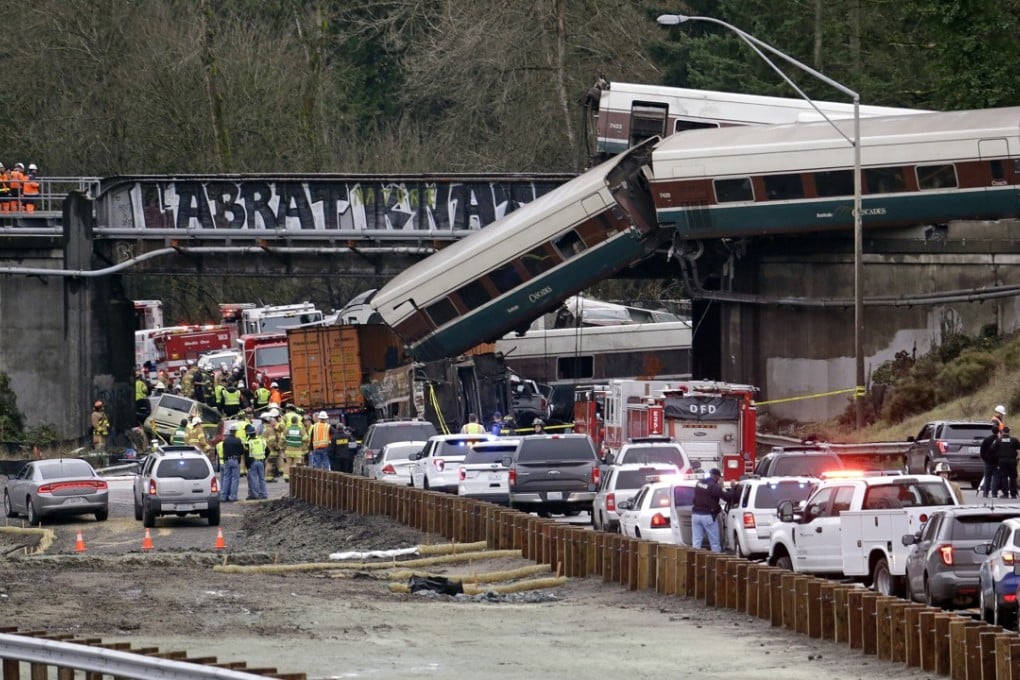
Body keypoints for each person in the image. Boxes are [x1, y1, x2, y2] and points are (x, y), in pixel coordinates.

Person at [691, 468, 738, 552]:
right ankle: (717, 561)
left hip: (695, 515)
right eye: (719, 477)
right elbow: (727, 497)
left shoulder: (699, 483)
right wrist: (733, 488)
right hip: (708, 516)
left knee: (696, 542)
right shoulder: (714, 486)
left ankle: (694, 561)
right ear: (716, 476)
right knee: (714, 542)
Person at [220, 424, 245, 502]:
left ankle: (224, 496)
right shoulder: (238, 440)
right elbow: (242, 451)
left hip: (227, 460)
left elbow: (224, 451)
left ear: (230, 431)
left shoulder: (225, 440)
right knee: (235, 479)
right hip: (235, 460)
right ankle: (232, 496)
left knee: (226, 478)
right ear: (235, 432)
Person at [280, 412, 308, 481]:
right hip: (297, 450)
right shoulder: (300, 429)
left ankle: (286, 476)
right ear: (297, 421)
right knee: (296, 464)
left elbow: (282, 439)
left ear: (291, 421)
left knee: (288, 463)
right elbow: (306, 439)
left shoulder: (287, 429)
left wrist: (282, 447)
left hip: (288, 449)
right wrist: (304, 447)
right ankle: (295, 477)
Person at [245, 424, 269, 500]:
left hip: (253, 462)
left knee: (253, 479)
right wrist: (264, 458)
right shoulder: (262, 441)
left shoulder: (248, 443)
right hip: (261, 462)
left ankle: (255, 495)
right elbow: (268, 451)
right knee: (262, 478)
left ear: (248, 434)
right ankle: (263, 494)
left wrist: (248, 466)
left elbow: (246, 455)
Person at [995, 426, 1020, 499]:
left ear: (1002, 432)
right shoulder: (1014, 440)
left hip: (1002, 461)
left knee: (1004, 477)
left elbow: (993, 449)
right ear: (1009, 432)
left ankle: (1005, 494)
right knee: (1013, 477)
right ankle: (1013, 494)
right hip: (1012, 460)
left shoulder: (999, 440)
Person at [980, 424, 1001, 498]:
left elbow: (982, 451)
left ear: (992, 431)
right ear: (998, 431)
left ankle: (985, 493)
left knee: (987, 477)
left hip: (988, 461)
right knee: (995, 478)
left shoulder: (986, 440)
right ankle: (994, 494)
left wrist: (984, 459)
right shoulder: (999, 440)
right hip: (997, 462)